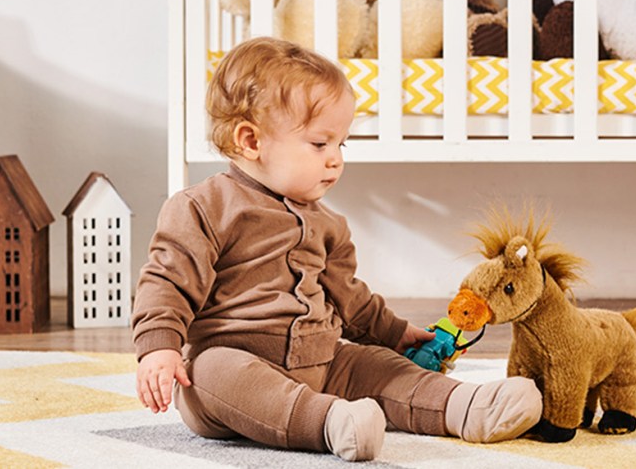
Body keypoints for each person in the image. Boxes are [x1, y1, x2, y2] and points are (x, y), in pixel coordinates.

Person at [133, 36, 541, 462]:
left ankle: (465, 407)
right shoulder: (202, 207)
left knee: (376, 367)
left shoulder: (328, 224)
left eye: (340, 144)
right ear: (251, 141)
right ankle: (329, 424)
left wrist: (395, 334)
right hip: (236, 366)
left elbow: (351, 300)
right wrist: (159, 347)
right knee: (207, 374)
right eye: (319, 144)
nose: (335, 159)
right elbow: (167, 282)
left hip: (321, 362)